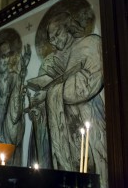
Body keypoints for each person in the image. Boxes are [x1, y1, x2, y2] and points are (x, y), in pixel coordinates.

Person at [28, 12, 107, 187]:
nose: (55, 41)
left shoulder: (90, 44)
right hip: (65, 130)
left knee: (93, 172)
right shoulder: (55, 60)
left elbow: (86, 84)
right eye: (52, 38)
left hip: (88, 121)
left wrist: (49, 93)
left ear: (69, 28)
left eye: (58, 34)